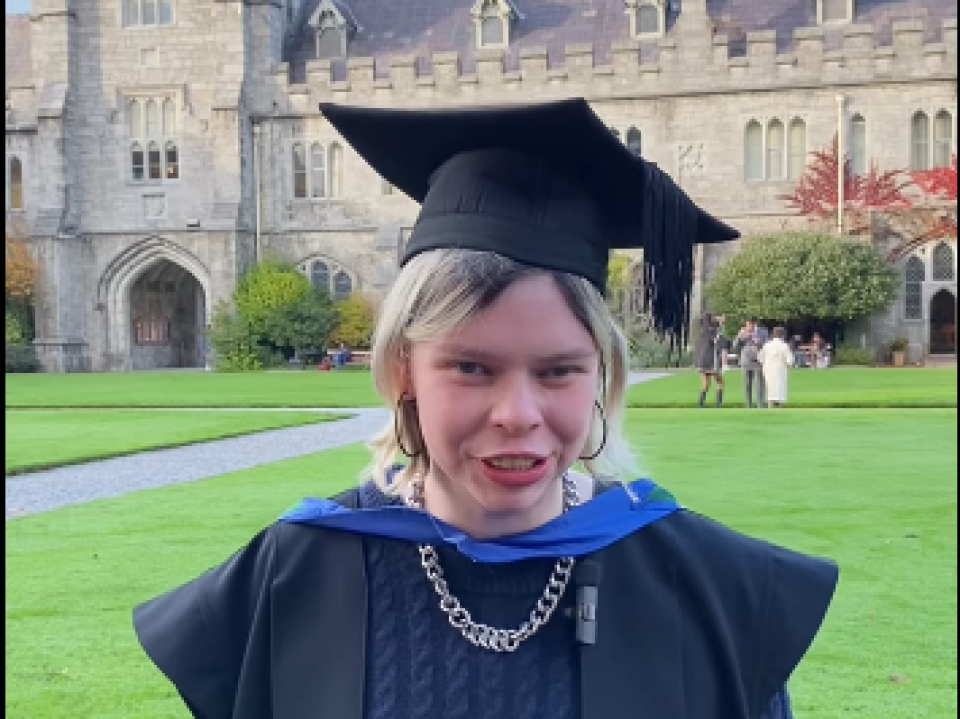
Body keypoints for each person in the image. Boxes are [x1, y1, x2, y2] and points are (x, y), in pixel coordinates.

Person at [132, 99, 837, 718]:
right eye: (471, 366)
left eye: (559, 369)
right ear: (404, 368)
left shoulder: (707, 588)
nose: (518, 413)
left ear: (602, 374)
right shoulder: (291, 578)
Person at [758, 326, 796, 408]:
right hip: (780, 371)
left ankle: (770, 408)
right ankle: (778, 409)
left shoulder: (767, 345)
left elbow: (760, 358)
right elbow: (790, 360)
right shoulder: (784, 346)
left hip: (768, 371)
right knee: (779, 391)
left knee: (770, 391)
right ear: (783, 335)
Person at [694, 312, 725, 407]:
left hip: (702, 361)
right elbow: (718, 341)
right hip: (711, 360)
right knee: (719, 381)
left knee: (706, 383)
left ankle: (700, 403)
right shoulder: (713, 331)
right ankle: (718, 404)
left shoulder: (703, 330)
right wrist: (721, 323)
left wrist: (719, 322)